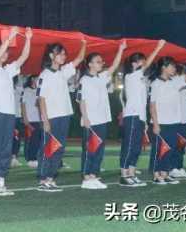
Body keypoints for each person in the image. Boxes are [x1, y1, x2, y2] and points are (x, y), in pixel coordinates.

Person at [0, 26, 32, 196]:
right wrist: (8, 40)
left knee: (6, 149)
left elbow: (23, 57)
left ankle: (1, 180)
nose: (4, 54)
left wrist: (28, 39)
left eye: (5, 52)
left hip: (8, 114)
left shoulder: (7, 70)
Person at [36, 39, 86, 192]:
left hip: (64, 116)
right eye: (60, 54)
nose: (64, 57)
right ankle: (43, 179)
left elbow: (78, 59)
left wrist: (84, 43)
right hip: (52, 117)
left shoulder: (63, 72)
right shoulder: (44, 75)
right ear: (52, 55)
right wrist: (45, 119)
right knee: (49, 148)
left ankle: (51, 178)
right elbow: (41, 98)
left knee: (59, 148)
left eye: (64, 54)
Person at [77, 40, 126, 190]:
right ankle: (86, 177)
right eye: (98, 61)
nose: (101, 63)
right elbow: (81, 100)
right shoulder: (84, 80)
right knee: (90, 149)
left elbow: (113, 66)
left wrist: (121, 49)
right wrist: (85, 117)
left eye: (101, 61)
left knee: (99, 149)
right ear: (90, 64)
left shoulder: (102, 77)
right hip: (91, 120)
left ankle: (94, 175)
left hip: (103, 119)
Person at [149, 52, 186, 185]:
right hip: (161, 123)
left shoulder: (175, 81)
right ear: (163, 68)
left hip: (174, 122)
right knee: (159, 150)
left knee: (171, 148)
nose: (174, 69)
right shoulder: (156, 83)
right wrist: (155, 124)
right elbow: (152, 105)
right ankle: (157, 175)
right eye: (171, 66)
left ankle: (165, 174)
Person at [119, 40, 165, 187]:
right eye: (142, 61)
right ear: (134, 64)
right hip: (131, 116)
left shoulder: (141, 79)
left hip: (139, 117)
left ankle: (131, 173)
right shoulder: (130, 76)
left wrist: (145, 120)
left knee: (137, 147)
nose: (144, 64)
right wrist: (158, 48)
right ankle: (124, 175)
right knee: (130, 145)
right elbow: (147, 66)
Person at [22, 75, 41, 168]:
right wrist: (25, 118)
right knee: (31, 140)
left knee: (38, 140)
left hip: (39, 118)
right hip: (30, 119)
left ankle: (37, 158)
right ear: (33, 79)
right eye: (37, 78)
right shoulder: (26, 90)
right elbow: (23, 105)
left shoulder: (40, 90)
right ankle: (30, 158)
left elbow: (39, 105)